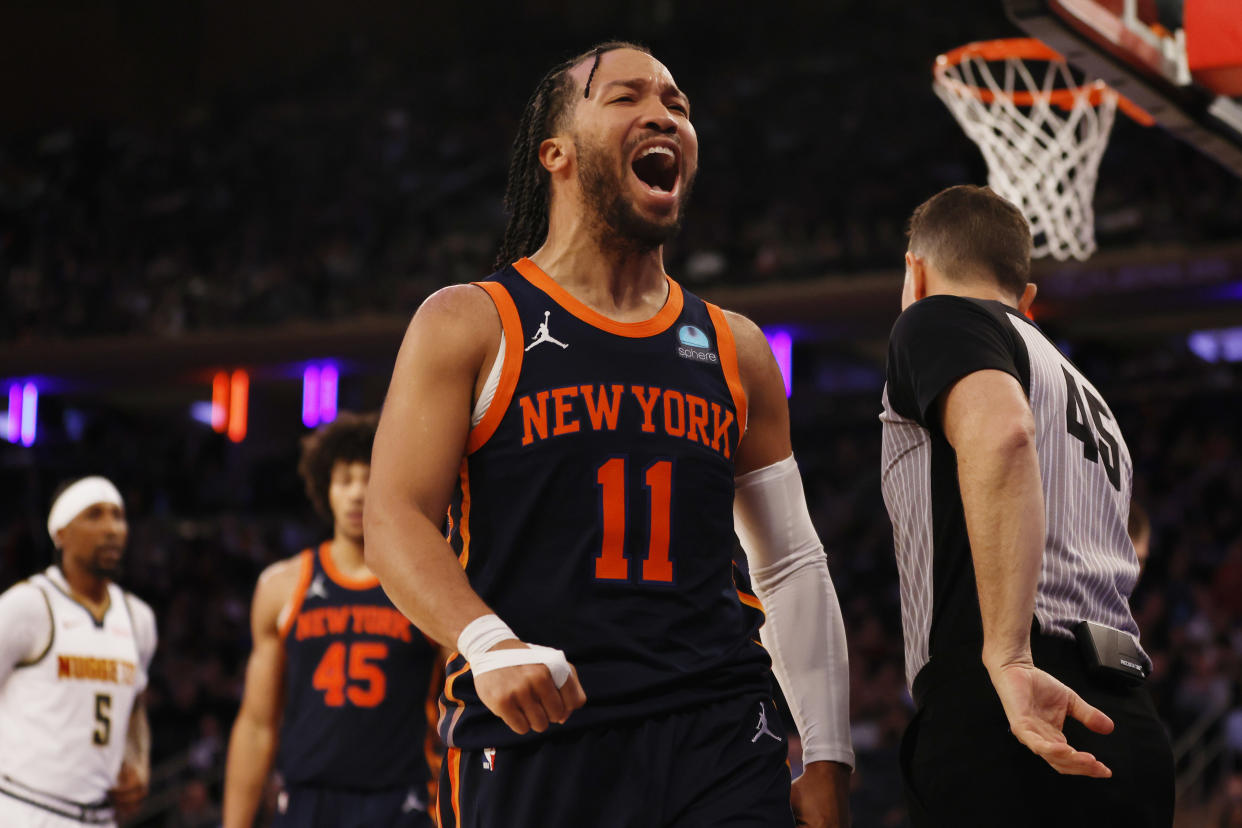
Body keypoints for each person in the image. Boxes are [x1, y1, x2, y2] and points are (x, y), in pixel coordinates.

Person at [364, 41, 854, 828]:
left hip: (722, 734)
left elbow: (790, 560)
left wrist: (828, 752)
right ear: (554, 153)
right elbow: (393, 519)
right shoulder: (472, 321)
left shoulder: (736, 347)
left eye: (677, 104)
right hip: (540, 727)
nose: (662, 113)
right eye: (626, 97)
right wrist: (487, 642)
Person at [879, 185, 1174, 826]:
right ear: (1028, 300)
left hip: (1013, 706)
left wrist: (1008, 654)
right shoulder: (1088, 397)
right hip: (1126, 716)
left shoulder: (936, 316)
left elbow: (1004, 434)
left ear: (916, 271)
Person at [223, 412, 442, 828]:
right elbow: (256, 724)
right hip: (308, 800)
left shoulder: (427, 585)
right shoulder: (281, 586)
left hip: (403, 800)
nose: (358, 493)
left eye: (370, 478)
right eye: (345, 480)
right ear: (325, 488)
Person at [0, 475, 156, 827]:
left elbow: (134, 705)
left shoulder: (138, 618)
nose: (112, 528)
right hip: (25, 808)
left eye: (118, 516)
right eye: (94, 515)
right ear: (61, 533)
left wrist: (139, 759)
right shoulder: (28, 606)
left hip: (101, 817)